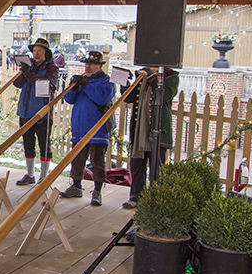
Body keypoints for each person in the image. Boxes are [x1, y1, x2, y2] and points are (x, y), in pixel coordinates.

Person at [59, 51, 115, 206]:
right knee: (77, 160)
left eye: (91, 64)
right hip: (80, 128)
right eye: (86, 63)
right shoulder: (84, 81)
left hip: (98, 130)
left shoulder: (107, 83)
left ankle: (97, 191)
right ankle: (76, 186)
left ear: (100, 66)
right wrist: (75, 86)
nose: (88, 66)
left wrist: (86, 85)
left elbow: (101, 98)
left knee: (97, 161)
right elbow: (68, 99)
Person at [121, 66, 180, 209]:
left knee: (156, 168)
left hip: (157, 131)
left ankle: (155, 201)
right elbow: (128, 98)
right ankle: (136, 197)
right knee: (137, 165)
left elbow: (164, 96)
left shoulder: (171, 77)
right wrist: (125, 82)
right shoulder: (141, 76)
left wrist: (151, 77)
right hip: (139, 130)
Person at [14, 38, 59, 185]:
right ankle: (30, 174)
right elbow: (17, 83)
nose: (36, 53)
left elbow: (45, 87)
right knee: (28, 143)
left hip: (42, 112)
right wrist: (25, 70)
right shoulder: (31, 67)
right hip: (26, 111)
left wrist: (29, 73)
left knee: (44, 145)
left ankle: (44, 176)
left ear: (46, 53)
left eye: (39, 51)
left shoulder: (52, 68)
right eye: (34, 51)